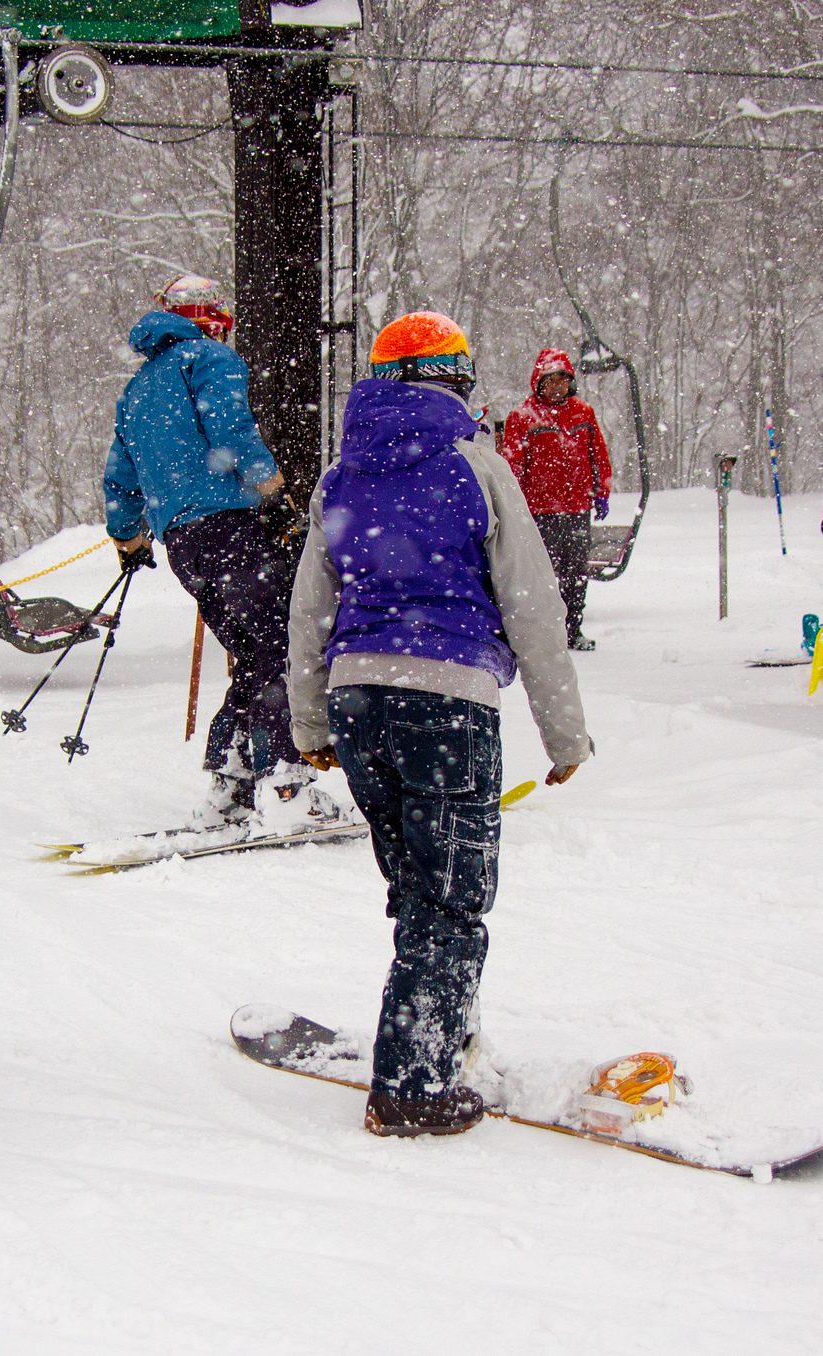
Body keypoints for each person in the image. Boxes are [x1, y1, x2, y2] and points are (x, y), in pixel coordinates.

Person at [287, 311, 592, 1138]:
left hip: (357, 701)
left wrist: (309, 720)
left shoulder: (340, 476)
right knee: (451, 899)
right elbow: (533, 606)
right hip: (447, 699)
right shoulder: (478, 466)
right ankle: (414, 1085)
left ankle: (437, 1032)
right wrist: (565, 736)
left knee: (417, 888)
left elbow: (310, 608)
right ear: (456, 379)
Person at [102, 273, 336, 830]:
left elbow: (120, 473)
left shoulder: (137, 389)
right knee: (280, 645)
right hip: (230, 525)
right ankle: (286, 785)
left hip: (185, 543)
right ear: (214, 319)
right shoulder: (208, 358)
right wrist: (272, 488)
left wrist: (128, 537)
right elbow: (231, 428)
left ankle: (231, 786)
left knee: (255, 654)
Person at [501, 349, 613, 650]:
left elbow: (598, 454)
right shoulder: (523, 418)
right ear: (538, 383)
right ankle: (546, 634)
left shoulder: (583, 413)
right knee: (542, 576)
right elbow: (512, 466)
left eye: (563, 380)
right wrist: (514, 505)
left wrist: (601, 491)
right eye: (550, 381)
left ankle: (573, 628)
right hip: (539, 512)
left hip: (577, 508)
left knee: (575, 573)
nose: (557, 386)